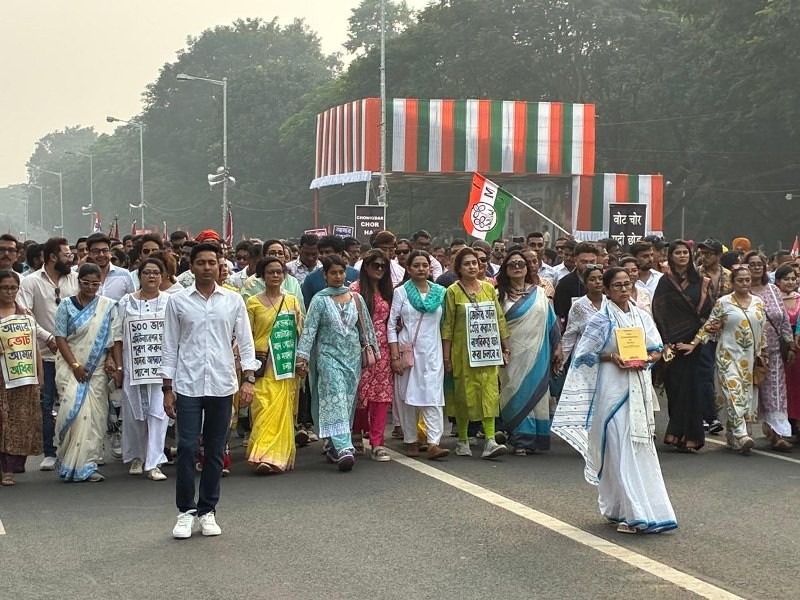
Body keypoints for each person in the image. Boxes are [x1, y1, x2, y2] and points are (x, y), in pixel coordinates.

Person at [553, 267, 675, 534]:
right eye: (617, 285)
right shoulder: (601, 319)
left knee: (638, 448)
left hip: (637, 389)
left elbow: (656, 349)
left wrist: (646, 358)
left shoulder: (642, 317)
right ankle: (627, 511)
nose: (623, 289)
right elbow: (584, 354)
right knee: (618, 448)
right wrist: (611, 357)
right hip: (611, 390)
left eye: (627, 284)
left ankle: (642, 511)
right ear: (607, 290)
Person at [161, 242, 259, 539]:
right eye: (201, 262)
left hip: (221, 383)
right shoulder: (178, 302)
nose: (206, 267)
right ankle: (185, 512)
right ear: (191, 266)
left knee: (215, 450)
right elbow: (169, 345)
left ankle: (207, 511)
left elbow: (246, 342)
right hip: (188, 383)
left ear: (220, 266)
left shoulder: (232, 300)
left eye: (211, 262)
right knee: (187, 448)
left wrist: (249, 378)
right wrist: (167, 388)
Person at [295, 256, 377, 472]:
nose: (338, 276)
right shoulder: (320, 300)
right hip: (327, 358)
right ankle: (344, 448)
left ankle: (333, 446)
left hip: (352, 359)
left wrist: (373, 354)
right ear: (325, 275)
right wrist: (302, 357)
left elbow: (365, 328)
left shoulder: (355, 298)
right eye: (333, 273)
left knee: (347, 402)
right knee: (336, 398)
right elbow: (309, 330)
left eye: (341, 272)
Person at [53, 263, 123, 482]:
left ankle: (87, 466)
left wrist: (114, 362)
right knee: (71, 414)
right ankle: (68, 464)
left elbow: (113, 339)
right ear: (79, 282)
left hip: (97, 370)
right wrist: (75, 365)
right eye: (86, 283)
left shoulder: (107, 306)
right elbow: (60, 337)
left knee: (94, 417)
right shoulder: (66, 305)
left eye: (95, 284)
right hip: (69, 367)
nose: (91, 287)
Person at [441, 248, 510, 459]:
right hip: (462, 353)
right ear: (459, 268)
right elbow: (448, 326)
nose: (472, 267)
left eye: (474, 263)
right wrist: (446, 358)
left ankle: (490, 440)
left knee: (489, 394)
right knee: (464, 395)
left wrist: (505, 347)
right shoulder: (452, 291)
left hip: (488, 353)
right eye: (467, 264)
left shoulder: (489, 288)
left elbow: (499, 319)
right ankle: (463, 440)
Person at [19, 237, 79, 471]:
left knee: (72, 402)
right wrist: (48, 338)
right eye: (67, 255)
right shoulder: (30, 282)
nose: (71, 259)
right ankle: (50, 452)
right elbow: (25, 316)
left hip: (74, 354)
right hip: (44, 355)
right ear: (53, 256)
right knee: (45, 406)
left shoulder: (75, 279)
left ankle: (73, 449)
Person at [692, 267, 766, 454]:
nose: (744, 283)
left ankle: (732, 436)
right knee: (734, 393)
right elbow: (708, 326)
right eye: (740, 280)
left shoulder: (758, 302)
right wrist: (693, 344)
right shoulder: (724, 303)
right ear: (732, 282)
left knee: (747, 396)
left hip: (750, 358)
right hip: (728, 355)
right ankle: (741, 434)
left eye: (747, 280)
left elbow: (762, 330)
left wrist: (763, 353)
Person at [496, 251, 562, 455]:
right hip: (511, 353)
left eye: (521, 264)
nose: (517, 267)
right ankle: (519, 439)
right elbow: (495, 325)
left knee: (537, 395)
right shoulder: (499, 295)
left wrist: (558, 347)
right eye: (512, 264)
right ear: (505, 269)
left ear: (527, 268)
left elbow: (552, 323)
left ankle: (533, 438)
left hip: (538, 352)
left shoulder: (540, 293)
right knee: (514, 391)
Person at [388, 250, 449, 460]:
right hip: (408, 351)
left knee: (433, 396)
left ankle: (433, 443)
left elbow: (445, 324)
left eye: (425, 265)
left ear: (430, 268)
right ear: (408, 268)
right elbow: (391, 325)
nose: (421, 269)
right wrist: (394, 356)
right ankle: (411, 440)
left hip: (433, 351)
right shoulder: (401, 292)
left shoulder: (440, 293)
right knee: (407, 397)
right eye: (416, 265)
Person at [652, 240, 712, 452]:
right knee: (675, 389)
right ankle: (677, 435)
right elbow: (659, 311)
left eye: (685, 252)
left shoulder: (701, 281)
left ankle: (690, 437)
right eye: (677, 252)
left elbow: (708, 313)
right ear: (670, 256)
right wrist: (667, 340)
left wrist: (694, 342)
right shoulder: (665, 281)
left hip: (694, 344)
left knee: (692, 390)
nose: (682, 256)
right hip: (672, 343)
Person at [245, 257, 303, 474]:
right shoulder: (252, 303)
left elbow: (299, 333)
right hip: (260, 364)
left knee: (281, 411)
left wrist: (301, 361)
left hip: (284, 364)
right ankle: (261, 454)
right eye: (271, 272)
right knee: (262, 408)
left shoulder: (292, 302)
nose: (275, 275)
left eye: (279, 272)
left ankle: (273, 458)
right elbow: (246, 336)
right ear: (262, 275)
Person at [118, 258, 171, 481]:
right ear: (139, 276)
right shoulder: (126, 302)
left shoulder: (170, 301)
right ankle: (137, 457)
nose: (151, 276)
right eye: (147, 272)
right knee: (134, 414)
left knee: (159, 413)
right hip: (134, 367)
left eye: (156, 272)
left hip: (161, 369)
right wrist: (118, 366)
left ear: (162, 276)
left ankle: (154, 462)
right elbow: (117, 336)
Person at [745, 250, 794, 451]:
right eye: (752, 264)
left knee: (775, 393)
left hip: (773, 352)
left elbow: (783, 319)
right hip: (746, 352)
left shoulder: (773, 290)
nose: (756, 268)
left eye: (760, 264)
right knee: (747, 394)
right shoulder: (740, 291)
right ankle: (742, 434)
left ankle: (777, 434)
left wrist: (789, 343)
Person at [0, 270, 44, 486]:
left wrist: (39, 374)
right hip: (1, 376)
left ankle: (11, 464)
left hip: (22, 376)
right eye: (4, 288)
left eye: (13, 288)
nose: (9, 292)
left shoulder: (25, 314)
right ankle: (4, 469)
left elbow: (33, 345)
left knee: (19, 420)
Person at [349, 250, 394, 459]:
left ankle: (377, 442)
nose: (379, 269)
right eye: (375, 265)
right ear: (366, 266)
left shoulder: (388, 290)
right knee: (361, 394)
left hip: (383, 349)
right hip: (361, 348)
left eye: (383, 266)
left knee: (381, 397)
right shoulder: (355, 290)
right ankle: (356, 432)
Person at [696, 238, 731, 435]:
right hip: (703, 330)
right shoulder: (695, 274)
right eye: (702, 253)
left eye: (709, 254)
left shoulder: (730, 276)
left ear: (718, 255)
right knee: (705, 373)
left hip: (727, 331)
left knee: (726, 373)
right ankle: (709, 416)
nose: (705, 257)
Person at [561, 265, 606, 362]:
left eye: (600, 278)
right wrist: (561, 361)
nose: (597, 282)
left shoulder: (610, 303)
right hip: (584, 357)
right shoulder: (578, 306)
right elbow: (570, 335)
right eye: (592, 279)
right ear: (585, 283)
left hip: (608, 357)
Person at [553, 242, 600, 331]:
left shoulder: (604, 282)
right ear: (575, 260)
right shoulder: (564, 284)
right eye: (584, 262)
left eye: (592, 262)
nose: (588, 266)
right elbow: (559, 315)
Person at [301, 236, 359, 308]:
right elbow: (307, 307)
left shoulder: (355, 275)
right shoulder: (311, 278)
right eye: (321, 252)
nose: (324, 256)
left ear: (340, 253)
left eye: (327, 252)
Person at [778, 265, 800, 439]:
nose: (791, 282)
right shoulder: (774, 299)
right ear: (778, 281)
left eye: (793, 278)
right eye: (786, 279)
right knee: (784, 384)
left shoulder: (799, 298)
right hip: (781, 345)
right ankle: (786, 422)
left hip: (798, 345)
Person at [86, 233, 135, 301]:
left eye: (105, 250)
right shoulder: (84, 277)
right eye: (96, 251)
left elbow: (132, 302)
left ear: (110, 251)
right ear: (89, 253)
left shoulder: (124, 275)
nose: (101, 255)